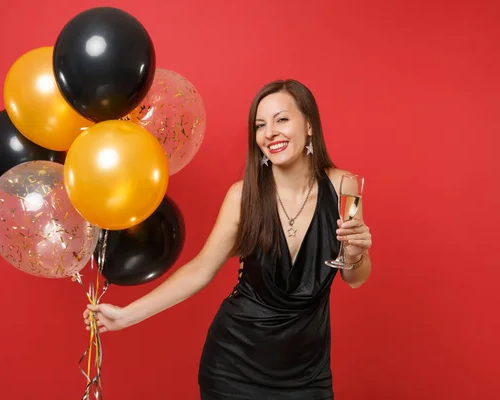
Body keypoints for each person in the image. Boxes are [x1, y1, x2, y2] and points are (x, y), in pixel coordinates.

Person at [83, 79, 373, 399]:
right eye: (260, 125)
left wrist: (357, 253)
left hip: (307, 375)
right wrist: (126, 316)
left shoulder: (344, 185)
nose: (270, 132)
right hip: (235, 366)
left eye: (282, 120)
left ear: (308, 125)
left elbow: (355, 278)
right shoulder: (242, 196)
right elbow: (201, 270)